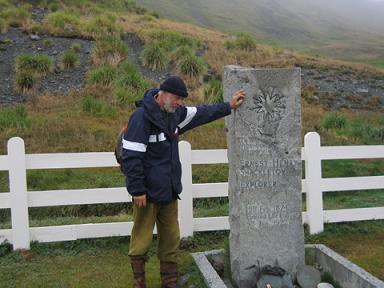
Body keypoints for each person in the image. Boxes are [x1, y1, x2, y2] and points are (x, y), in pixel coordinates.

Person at [122, 76, 245, 288]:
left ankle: (169, 282)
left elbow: (203, 113)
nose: (180, 102)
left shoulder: (175, 114)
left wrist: (229, 106)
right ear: (164, 94)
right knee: (141, 238)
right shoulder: (141, 117)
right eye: (177, 98)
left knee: (171, 238)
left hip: (169, 191)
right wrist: (137, 190)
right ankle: (138, 282)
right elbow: (131, 156)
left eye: (181, 99)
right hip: (146, 194)